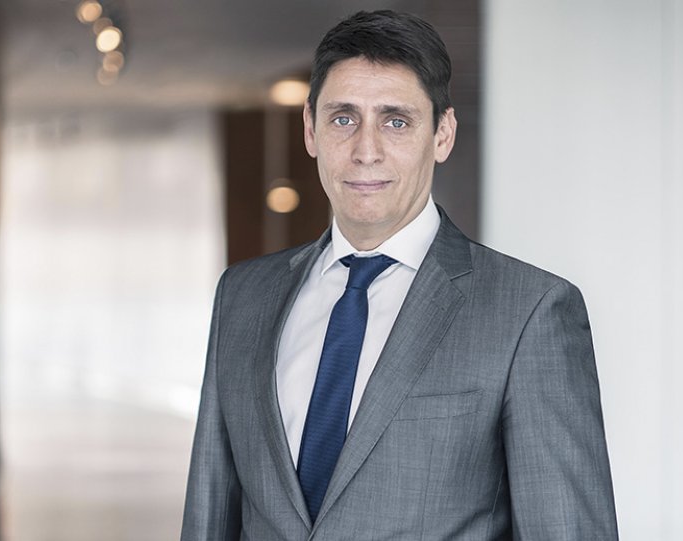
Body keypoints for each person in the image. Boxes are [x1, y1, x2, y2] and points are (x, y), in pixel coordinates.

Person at [181, 10, 617, 540]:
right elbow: (209, 518)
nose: (366, 151)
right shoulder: (243, 296)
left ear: (442, 134)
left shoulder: (530, 311)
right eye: (344, 119)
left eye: (396, 121)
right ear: (310, 129)